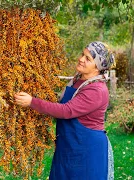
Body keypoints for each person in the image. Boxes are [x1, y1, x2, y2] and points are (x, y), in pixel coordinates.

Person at [14, 41, 115, 180]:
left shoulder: (96, 90)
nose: (81, 59)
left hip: (86, 150)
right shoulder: (78, 79)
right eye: (82, 55)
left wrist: (32, 102)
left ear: (97, 67)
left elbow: (66, 111)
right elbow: (59, 103)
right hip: (68, 146)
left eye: (88, 59)